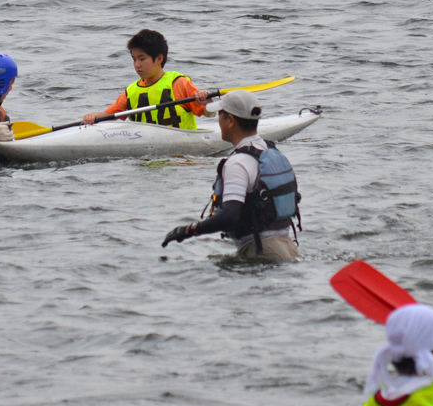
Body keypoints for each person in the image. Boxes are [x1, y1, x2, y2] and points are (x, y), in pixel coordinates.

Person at [161, 91, 301, 262]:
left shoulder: (238, 163)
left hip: (262, 251)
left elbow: (230, 215)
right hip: (288, 246)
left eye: (220, 115)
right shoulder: (267, 150)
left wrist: (189, 230)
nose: (218, 121)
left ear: (231, 121)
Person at [82, 29, 211, 129]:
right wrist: (93, 117)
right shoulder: (132, 92)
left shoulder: (178, 83)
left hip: (182, 158)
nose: (137, 64)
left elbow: (209, 113)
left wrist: (207, 102)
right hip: (146, 157)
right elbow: (109, 116)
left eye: (142, 59)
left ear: (159, 59)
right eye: (134, 59)